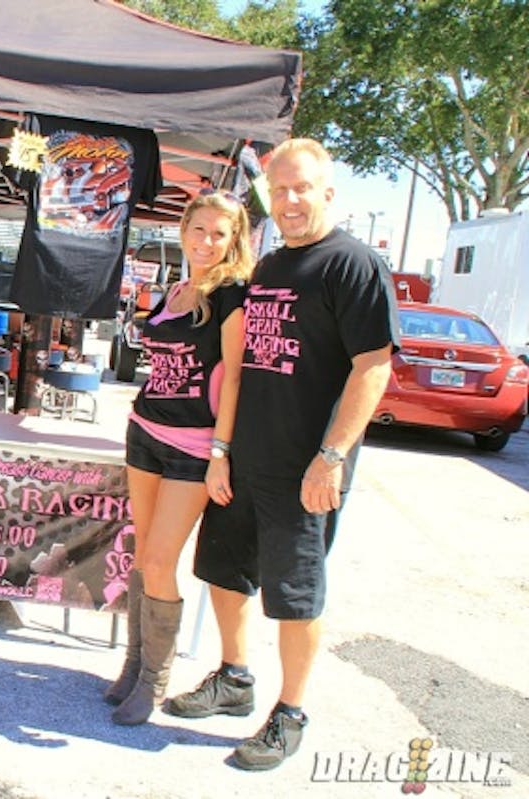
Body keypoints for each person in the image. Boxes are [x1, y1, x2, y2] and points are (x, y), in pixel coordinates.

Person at [163, 139, 399, 771]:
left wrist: (332, 457)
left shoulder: (353, 265)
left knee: (296, 593)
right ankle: (233, 679)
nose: (289, 201)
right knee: (223, 572)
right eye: (280, 190)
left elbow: (372, 367)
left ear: (327, 193)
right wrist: (223, 452)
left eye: (302, 189)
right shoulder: (268, 268)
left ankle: (290, 710)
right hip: (244, 459)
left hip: (306, 471)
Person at [103, 189, 252, 725]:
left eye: (220, 233)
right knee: (143, 555)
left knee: (164, 561)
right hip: (145, 432)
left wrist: (221, 453)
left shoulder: (234, 296)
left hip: (194, 447)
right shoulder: (175, 291)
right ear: (183, 230)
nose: (208, 241)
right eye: (199, 229)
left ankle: (155, 682)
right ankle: (134, 664)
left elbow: (234, 378)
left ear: (234, 239)